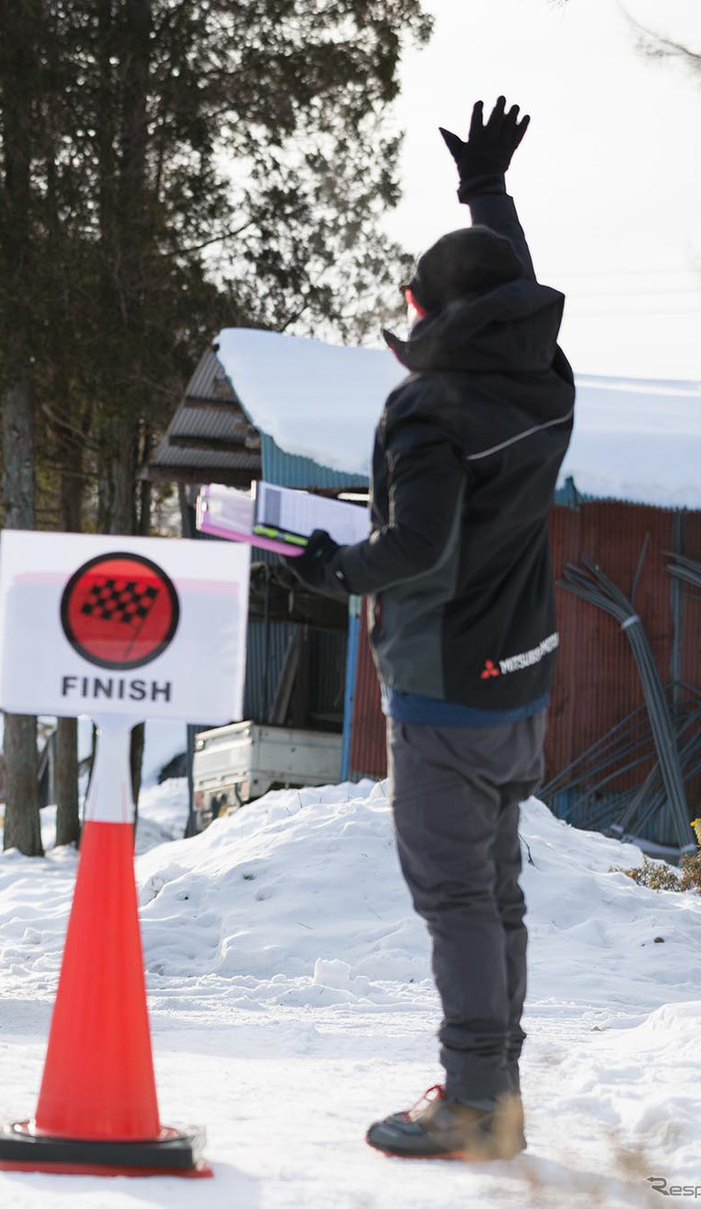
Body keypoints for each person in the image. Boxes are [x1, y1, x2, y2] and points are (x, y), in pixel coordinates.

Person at [284, 97, 574, 1161]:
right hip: (521, 676)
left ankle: (474, 1104)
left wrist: (327, 568)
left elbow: (418, 549)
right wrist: (488, 196)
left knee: (457, 896)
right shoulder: (541, 379)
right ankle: (492, 1086)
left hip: (446, 687)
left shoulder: (430, 411)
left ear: (422, 309)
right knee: (494, 893)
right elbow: (513, 300)